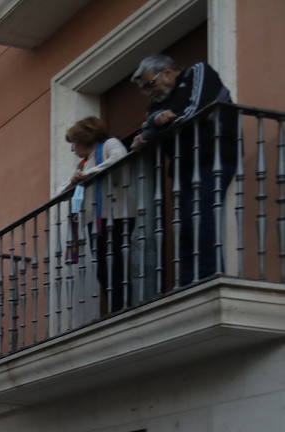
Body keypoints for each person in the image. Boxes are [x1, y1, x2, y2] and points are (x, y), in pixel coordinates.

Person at [128, 54, 236, 288]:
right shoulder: (158, 101)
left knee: (201, 215)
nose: (149, 92)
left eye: (150, 84)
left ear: (167, 71)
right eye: (145, 89)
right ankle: (188, 281)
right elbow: (149, 121)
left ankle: (209, 275)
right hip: (183, 167)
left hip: (213, 159)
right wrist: (155, 123)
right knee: (186, 222)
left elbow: (194, 111)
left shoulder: (197, 72)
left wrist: (150, 132)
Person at [64, 116, 132, 315]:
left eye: (74, 144)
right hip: (96, 221)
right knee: (103, 268)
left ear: (85, 138)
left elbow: (119, 158)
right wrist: (74, 181)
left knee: (116, 262)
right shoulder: (84, 163)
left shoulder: (109, 144)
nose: (73, 149)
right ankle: (115, 306)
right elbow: (62, 191)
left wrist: (87, 175)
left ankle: (123, 306)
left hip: (117, 215)